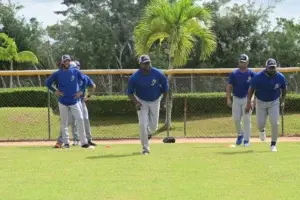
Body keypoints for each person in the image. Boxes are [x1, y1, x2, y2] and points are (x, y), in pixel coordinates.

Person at [46, 54, 93, 149]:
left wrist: (80, 91)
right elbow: (47, 83)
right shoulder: (57, 73)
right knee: (64, 122)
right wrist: (55, 91)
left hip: (74, 101)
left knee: (80, 119)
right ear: (62, 62)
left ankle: (84, 143)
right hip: (63, 101)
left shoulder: (75, 71)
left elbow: (84, 81)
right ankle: (66, 143)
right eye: (65, 60)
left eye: (68, 60)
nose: (67, 62)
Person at [127, 55, 169, 155]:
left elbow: (165, 87)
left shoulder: (157, 73)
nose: (147, 65)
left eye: (148, 62)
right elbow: (129, 92)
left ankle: (148, 134)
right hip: (141, 101)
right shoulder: (135, 77)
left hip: (155, 100)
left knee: (154, 127)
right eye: (145, 63)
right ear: (140, 64)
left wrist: (163, 101)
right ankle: (145, 148)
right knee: (142, 124)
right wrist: (136, 102)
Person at [245, 58, 287, 152]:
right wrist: (248, 103)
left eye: (274, 67)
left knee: (275, 123)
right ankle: (262, 130)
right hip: (261, 101)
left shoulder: (280, 77)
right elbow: (251, 90)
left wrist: (283, 101)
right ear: (266, 67)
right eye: (270, 67)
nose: (272, 69)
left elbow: (284, 90)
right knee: (260, 124)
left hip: (274, 102)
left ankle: (273, 144)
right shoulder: (258, 77)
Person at [226, 54, 256, 146]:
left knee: (247, 119)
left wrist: (253, 100)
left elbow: (256, 87)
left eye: (244, 62)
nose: (242, 63)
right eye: (240, 62)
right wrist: (228, 98)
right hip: (236, 98)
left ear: (247, 62)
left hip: (248, 99)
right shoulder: (234, 73)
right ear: (238, 62)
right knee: (236, 119)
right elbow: (229, 86)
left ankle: (246, 140)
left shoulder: (252, 73)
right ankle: (240, 134)